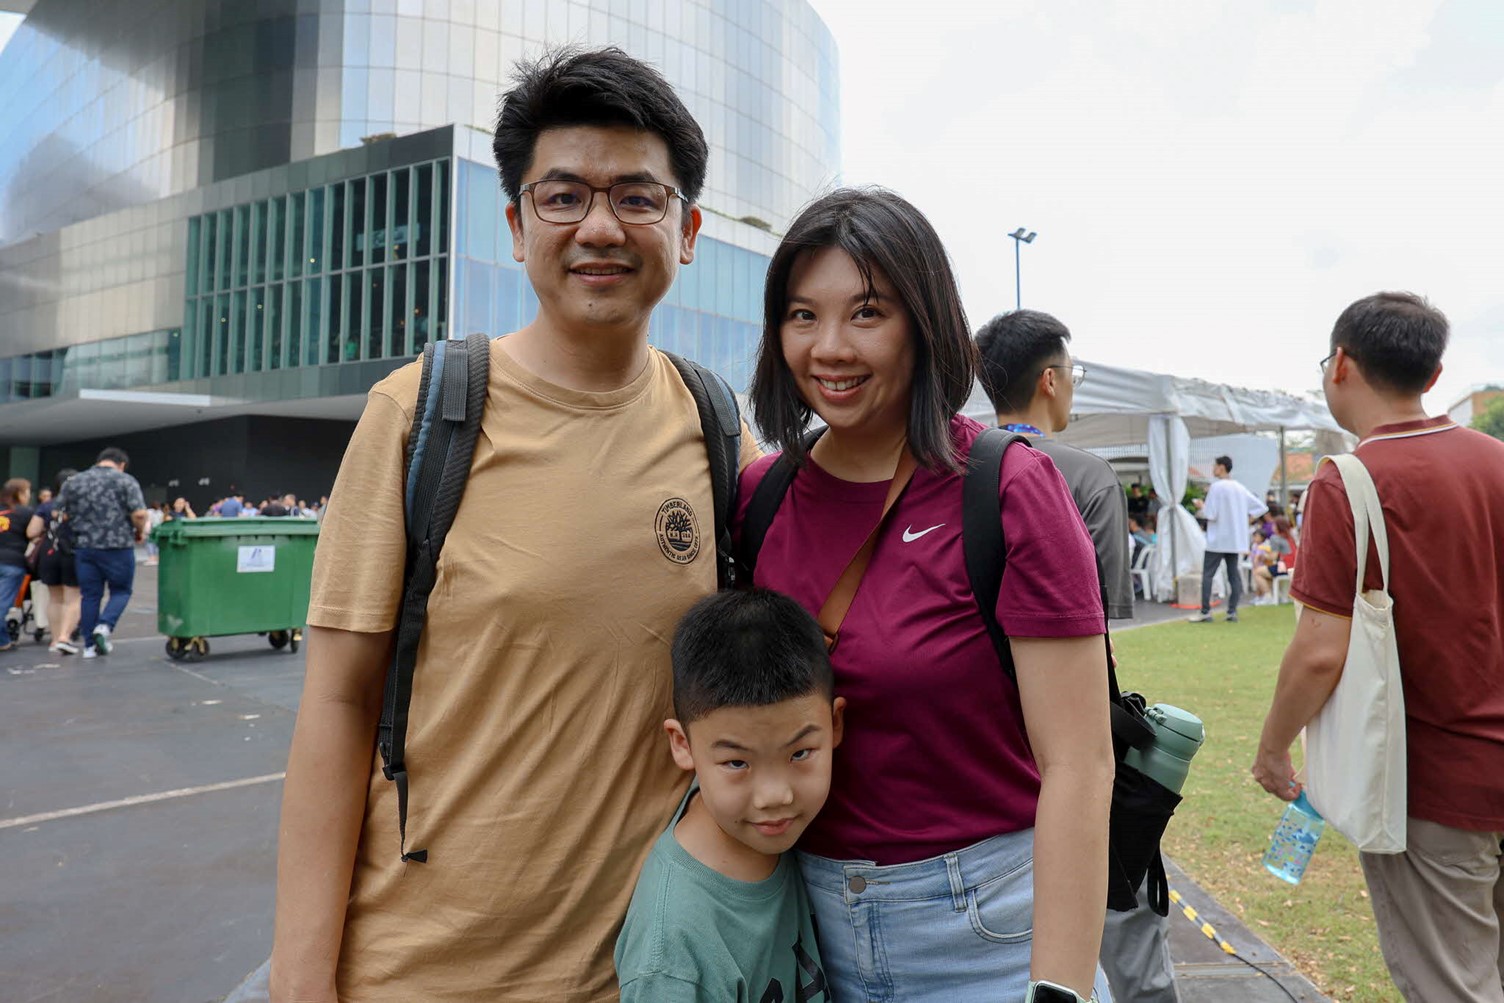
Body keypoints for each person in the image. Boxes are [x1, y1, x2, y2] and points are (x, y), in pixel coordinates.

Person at [268, 47, 758, 1003]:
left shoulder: (716, 426)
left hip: (650, 974)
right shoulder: (418, 415)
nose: (600, 228)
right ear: (516, 223)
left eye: (638, 198)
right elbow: (335, 706)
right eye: (564, 196)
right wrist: (300, 980)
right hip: (426, 973)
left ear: (688, 228)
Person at [739, 187, 1113, 1003]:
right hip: (804, 932)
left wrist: (1058, 988)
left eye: (867, 313)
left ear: (925, 322)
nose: (829, 347)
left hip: (989, 933)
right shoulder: (758, 498)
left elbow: (1079, 764)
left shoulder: (1009, 488)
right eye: (803, 316)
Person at [1252, 292, 1504, 1003]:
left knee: (1453, 984)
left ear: (1340, 365)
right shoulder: (1496, 460)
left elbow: (1320, 651)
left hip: (1431, 784)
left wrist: (1274, 749)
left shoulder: (1348, 480)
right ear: (1434, 373)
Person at [978, 308, 1176, 1003]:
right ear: (1052, 380)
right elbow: (1097, 638)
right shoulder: (1087, 475)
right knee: (1120, 928)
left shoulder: (952, 463)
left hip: (976, 753)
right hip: (1069, 738)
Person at [615, 588, 839, 1002]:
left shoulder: (757, 831)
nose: (775, 796)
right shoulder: (674, 956)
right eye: (738, 763)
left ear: (836, 724)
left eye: (800, 753)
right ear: (682, 745)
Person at [55, 447, 148, 659]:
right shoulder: (126, 481)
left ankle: (89, 646)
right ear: (121, 464)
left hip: (85, 547)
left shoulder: (74, 482)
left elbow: (58, 511)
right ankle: (104, 626)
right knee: (121, 591)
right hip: (118, 546)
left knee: (90, 596)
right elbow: (140, 514)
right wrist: (139, 532)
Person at [1187, 455, 1265, 623]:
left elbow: (1211, 514)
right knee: (1233, 575)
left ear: (1221, 467)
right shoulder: (1239, 488)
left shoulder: (1216, 487)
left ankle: (1205, 612)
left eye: (1214, 466)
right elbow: (1260, 507)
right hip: (1234, 539)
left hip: (1217, 540)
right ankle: (1232, 611)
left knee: (1208, 574)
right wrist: (1244, 521)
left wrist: (1201, 506)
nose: (1213, 470)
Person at [27, 469, 82, 655]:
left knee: (55, 598)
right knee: (73, 598)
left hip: (49, 553)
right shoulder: (82, 506)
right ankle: (65, 638)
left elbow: (31, 532)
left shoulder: (46, 506)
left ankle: (54, 640)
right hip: (72, 553)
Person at [0, 478, 35, 652]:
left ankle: (4, 639)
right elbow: (35, 534)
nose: (29, 496)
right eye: (27, 492)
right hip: (12, 563)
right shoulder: (25, 513)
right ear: (19, 494)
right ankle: (2, 640)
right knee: (3, 604)